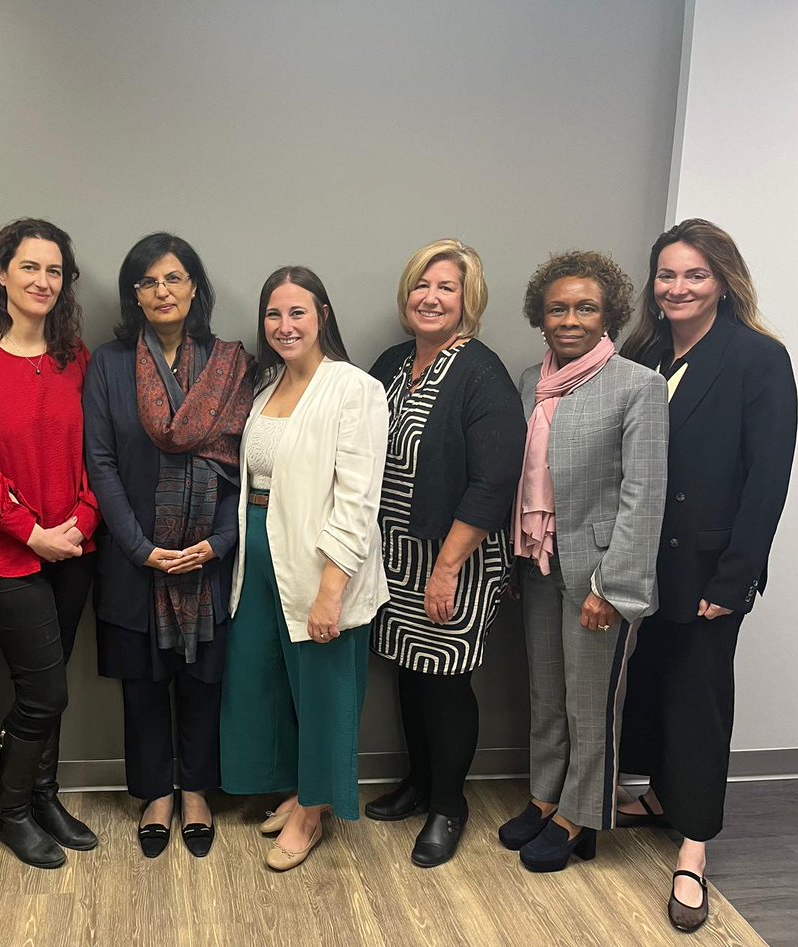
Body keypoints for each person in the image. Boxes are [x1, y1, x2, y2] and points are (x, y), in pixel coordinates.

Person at [618, 220, 797, 932]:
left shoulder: (758, 358)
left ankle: (694, 847)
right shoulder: (646, 352)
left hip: (707, 566)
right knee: (651, 685)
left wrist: (733, 579)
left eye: (694, 274)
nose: (678, 287)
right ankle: (660, 797)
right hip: (643, 561)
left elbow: (768, 481)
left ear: (722, 278)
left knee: (698, 700)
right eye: (667, 275)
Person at [84, 233, 253, 858]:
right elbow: (99, 460)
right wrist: (136, 545)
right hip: (136, 556)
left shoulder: (232, 363)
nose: (162, 291)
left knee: (205, 680)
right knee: (143, 681)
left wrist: (220, 541)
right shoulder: (109, 363)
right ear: (135, 293)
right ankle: (156, 792)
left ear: (194, 289)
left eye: (174, 278)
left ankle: (199, 791)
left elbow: (248, 464)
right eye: (149, 281)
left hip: (211, 555)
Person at [498, 250, 668, 873]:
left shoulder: (638, 386)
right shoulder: (527, 382)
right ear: (541, 318)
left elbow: (643, 495)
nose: (570, 318)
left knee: (591, 702)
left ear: (609, 315)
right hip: (540, 563)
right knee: (546, 692)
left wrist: (614, 586)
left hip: (601, 574)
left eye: (585, 307)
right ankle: (546, 798)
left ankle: (581, 817)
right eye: (558, 308)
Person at [220, 265, 388, 872]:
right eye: (274, 314)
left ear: (322, 315)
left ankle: (314, 811)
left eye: (297, 313)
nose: (285, 325)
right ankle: (295, 788)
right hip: (261, 554)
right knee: (268, 683)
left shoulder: (354, 388)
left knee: (322, 690)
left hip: (320, 563)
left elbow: (358, 499)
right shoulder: (266, 390)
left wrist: (331, 592)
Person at [364, 239, 525, 867]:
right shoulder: (391, 363)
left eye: (447, 288)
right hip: (396, 552)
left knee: (445, 678)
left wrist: (448, 567)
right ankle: (419, 782)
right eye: (421, 286)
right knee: (408, 670)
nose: (431, 298)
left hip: (455, 555)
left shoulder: (480, 372)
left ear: (468, 300)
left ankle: (449, 805)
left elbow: (493, 482)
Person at [0, 218, 100, 870]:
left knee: (51, 682)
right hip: (2, 556)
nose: (42, 280)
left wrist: (81, 524)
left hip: (72, 551)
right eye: (30, 267)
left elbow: (95, 457)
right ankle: (10, 812)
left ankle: (43, 797)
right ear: (1, 273)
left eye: (54, 270)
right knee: (44, 692)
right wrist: (32, 532)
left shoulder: (76, 359)